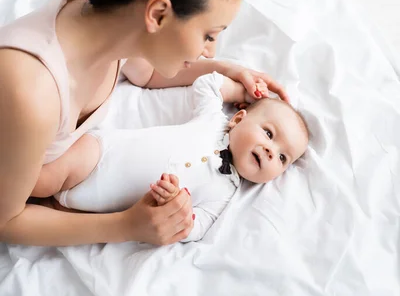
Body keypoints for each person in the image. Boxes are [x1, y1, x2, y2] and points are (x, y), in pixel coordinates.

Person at [0, 0, 288, 247]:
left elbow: (148, 73)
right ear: (158, 14)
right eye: (209, 35)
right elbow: (7, 219)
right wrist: (127, 226)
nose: (210, 52)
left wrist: (227, 70)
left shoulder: (113, 17)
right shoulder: (32, 92)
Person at [33, 73, 308, 243]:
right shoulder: (214, 122)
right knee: (40, 181)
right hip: (99, 155)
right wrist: (241, 91)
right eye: (269, 134)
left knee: (45, 217)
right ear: (238, 118)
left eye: (283, 157)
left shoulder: (224, 193)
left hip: (94, 208)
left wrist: (178, 206)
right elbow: (208, 84)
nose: (272, 151)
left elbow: (197, 227)